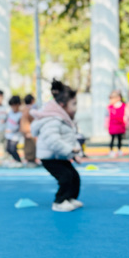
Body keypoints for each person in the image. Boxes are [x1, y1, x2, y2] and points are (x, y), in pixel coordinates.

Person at [31, 79, 84, 212]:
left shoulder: (65, 120)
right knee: (65, 177)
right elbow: (52, 140)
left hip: (59, 156)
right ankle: (59, 201)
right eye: (74, 104)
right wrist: (70, 150)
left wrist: (76, 153)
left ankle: (70, 198)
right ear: (62, 105)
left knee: (74, 176)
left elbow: (70, 138)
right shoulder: (52, 120)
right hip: (49, 157)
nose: (76, 108)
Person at [20, 93, 39, 165]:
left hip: (24, 129)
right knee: (31, 146)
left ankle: (29, 160)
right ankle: (31, 160)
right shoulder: (30, 109)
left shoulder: (23, 109)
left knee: (27, 145)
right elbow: (32, 119)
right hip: (29, 129)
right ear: (32, 100)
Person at [107, 91, 127, 156]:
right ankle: (111, 150)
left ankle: (119, 149)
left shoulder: (123, 106)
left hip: (120, 125)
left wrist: (126, 123)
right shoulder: (110, 107)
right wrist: (106, 124)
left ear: (118, 98)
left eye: (112, 98)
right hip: (112, 126)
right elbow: (107, 117)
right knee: (112, 138)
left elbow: (125, 115)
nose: (111, 100)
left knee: (119, 138)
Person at [4, 95, 23, 164]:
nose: (14, 107)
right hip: (8, 134)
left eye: (15, 105)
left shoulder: (20, 114)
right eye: (12, 105)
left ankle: (18, 161)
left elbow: (20, 126)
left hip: (15, 135)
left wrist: (12, 130)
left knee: (13, 149)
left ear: (18, 105)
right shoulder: (10, 113)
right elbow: (6, 121)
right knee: (8, 149)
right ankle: (16, 160)